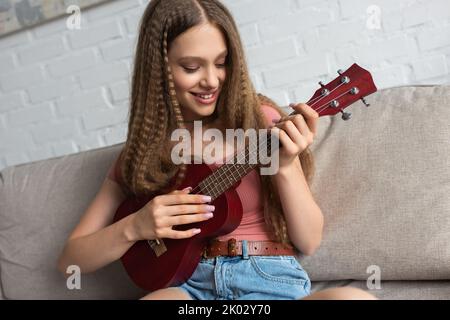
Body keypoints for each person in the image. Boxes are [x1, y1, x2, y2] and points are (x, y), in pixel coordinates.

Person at [57, 0, 376, 300]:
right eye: (191, 67)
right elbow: (71, 260)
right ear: (159, 70)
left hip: (267, 276)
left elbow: (309, 240)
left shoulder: (261, 122)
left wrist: (285, 166)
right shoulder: (142, 155)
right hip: (187, 287)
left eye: (222, 63)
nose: (211, 80)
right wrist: (135, 226)